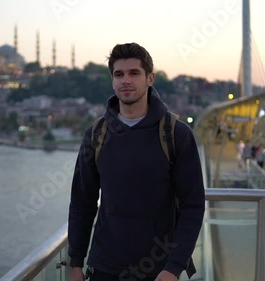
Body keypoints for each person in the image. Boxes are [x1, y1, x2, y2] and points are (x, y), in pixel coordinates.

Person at [67, 43, 205, 281]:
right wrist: (76, 262)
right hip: (103, 268)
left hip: (158, 270)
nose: (126, 81)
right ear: (112, 81)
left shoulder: (176, 134)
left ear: (150, 78)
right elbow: (82, 201)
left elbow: (192, 206)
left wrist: (174, 267)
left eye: (134, 73)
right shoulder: (96, 135)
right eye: (119, 74)